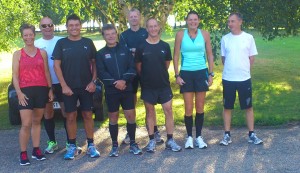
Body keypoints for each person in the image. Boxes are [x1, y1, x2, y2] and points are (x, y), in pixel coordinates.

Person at [53, 14, 100, 160]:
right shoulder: (61, 43)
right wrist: (64, 85)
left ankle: (91, 145)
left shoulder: (88, 42)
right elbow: (56, 65)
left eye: (76, 25)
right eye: (71, 25)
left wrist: (93, 82)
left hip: (86, 87)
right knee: (71, 116)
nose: (74, 28)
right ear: (67, 27)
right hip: (69, 88)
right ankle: (72, 146)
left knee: (87, 115)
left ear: (80, 26)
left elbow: (95, 63)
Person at [135, 18, 182, 153]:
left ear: (159, 28)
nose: (153, 29)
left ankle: (170, 140)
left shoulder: (165, 46)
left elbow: (166, 65)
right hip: (148, 86)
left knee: (168, 110)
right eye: (150, 26)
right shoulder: (141, 47)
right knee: (150, 112)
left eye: (155, 26)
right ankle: (151, 141)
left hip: (163, 85)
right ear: (147, 28)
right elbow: (139, 67)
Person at [96, 24, 142, 157]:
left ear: (116, 34)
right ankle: (114, 145)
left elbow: (132, 68)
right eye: (107, 34)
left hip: (127, 88)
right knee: (113, 117)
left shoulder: (125, 50)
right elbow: (101, 72)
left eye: (112, 33)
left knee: (130, 116)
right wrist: (115, 83)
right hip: (112, 91)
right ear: (103, 36)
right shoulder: (100, 53)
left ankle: (133, 143)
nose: (110, 36)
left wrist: (124, 81)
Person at [120, 8, 164, 145]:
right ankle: (130, 131)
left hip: (146, 71)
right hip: (129, 72)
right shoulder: (123, 35)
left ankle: (154, 131)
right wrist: (134, 51)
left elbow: (152, 48)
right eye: (131, 16)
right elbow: (123, 53)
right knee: (130, 104)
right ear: (128, 18)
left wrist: (134, 51)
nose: (133, 18)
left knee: (149, 104)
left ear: (140, 18)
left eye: (136, 16)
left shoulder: (146, 32)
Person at [12, 24, 53, 165]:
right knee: (26, 124)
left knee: (37, 121)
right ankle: (23, 153)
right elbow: (15, 76)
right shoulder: (18, 54)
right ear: (22, 36)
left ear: (34, 35)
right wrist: (19, 93)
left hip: (41, 90)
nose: (28, 37)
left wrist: (50, 89)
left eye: (30, 34)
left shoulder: (42, 53)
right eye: (25, 35)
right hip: (25, 92)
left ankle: (36, 150)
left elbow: (46, 72)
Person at [219, 12, 263, 146]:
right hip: (228, 79)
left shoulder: (249, 38)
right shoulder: (225, 39)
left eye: (232, 21)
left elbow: (251, 58)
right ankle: (227, 135)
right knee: (227, 107)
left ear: (240, 22)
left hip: (244, 79)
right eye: (228, 22)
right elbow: (223, 59)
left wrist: (243, 70)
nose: (230, 24)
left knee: (248, 107)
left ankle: (252, 134)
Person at [173, 11, 214, 149]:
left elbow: (209, 54)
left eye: (195, 19)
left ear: (199, 20)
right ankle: (189, 137)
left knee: (200, 106)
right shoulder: (180, 34)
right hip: (186, 73)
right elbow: (176, 56)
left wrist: (211, 74)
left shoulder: (205, 34)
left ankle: (199, 137)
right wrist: (177, 75)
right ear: (186, 21)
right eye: (190, 19)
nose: (193, 22)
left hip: (201, 72)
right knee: (188, 107)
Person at [34, 16, 68, 154]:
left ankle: (70, 142)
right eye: (44, 26)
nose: (47, 28)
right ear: (40, 28)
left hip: (62, 82)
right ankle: (52, 142)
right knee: (48, 113)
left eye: (50, 25)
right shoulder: (36, 44)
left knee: (67, 112)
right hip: (45, 84)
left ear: (53, 26)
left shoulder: (62, 41)